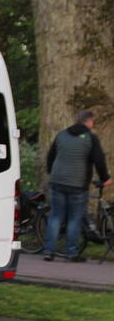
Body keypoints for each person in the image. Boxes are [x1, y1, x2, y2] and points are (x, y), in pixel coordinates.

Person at [43, 110, 111, 261]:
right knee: (75, 218)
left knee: (55, 216)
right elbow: (99, 160)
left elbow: (51, 156)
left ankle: (48, 251)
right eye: (93, 122)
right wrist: (105, 178)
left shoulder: (61, 134)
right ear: (88, 122)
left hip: (57, 181)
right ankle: (71, 253)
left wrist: (51, 172)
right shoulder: (90, 138)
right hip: (77, 184)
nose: (93, 125)